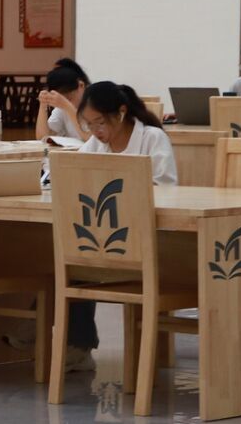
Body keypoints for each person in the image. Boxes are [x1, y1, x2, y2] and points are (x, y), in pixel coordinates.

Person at [62, 81, 179, 371]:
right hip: (107, 234)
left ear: (121, 113)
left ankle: (69, 343)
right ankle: (76, 346)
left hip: (145, 239)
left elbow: (166, 189)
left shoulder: (152, 138)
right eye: (88, 124)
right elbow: (76, 173)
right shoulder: (97, 143)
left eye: (100, 122)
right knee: (70, 259)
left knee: (79, 261)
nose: (95, 131)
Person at [35, 58, 90, 141]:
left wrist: (67, 106)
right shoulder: (61, 108)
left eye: (69, 99)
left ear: (81, 85)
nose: (64, 102)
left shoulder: (95, 103)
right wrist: (43, 105)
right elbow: (42, 137)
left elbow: (90, 138)